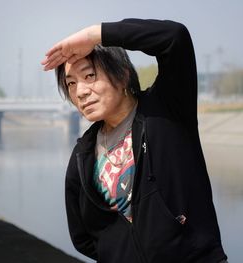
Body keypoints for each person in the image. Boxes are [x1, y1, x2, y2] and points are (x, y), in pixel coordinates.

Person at [41, 19, 227, 263]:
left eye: (89, 75)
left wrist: (95, 35)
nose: (81, 92)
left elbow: (174, 38)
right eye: (71, 83)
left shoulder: (165, 110)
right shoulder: (82, 155)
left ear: (123, 75)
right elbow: (84, 237)